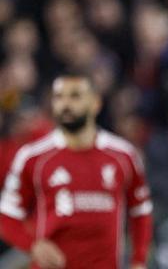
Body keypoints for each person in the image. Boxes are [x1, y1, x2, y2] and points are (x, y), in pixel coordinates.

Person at [0, 74, 153, 269]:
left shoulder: (123, 155)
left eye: (75, 96)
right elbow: (7, 216)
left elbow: (140, 211)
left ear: (95, 103)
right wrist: (32, 245)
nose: (66, 104)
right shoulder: (33, 157)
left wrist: (139, 260)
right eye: (59, 97)